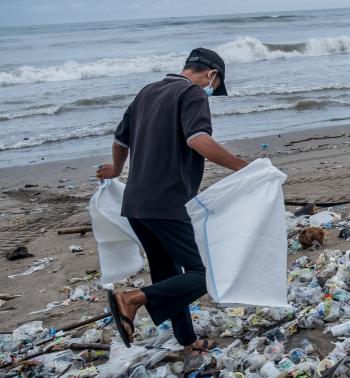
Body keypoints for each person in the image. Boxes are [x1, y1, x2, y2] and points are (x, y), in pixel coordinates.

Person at [96, 48, 248, 350]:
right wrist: (244, 168)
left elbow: (119, 139)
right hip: (167, 202)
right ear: (212, 75)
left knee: (168, 275)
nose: (209, 90)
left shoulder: (147, 92)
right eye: (213, 86)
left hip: (136, 204)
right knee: (205, 274)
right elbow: (198, 140)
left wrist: (117, 169)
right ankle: (132, 298)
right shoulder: (192, 94)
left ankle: (187, 341)